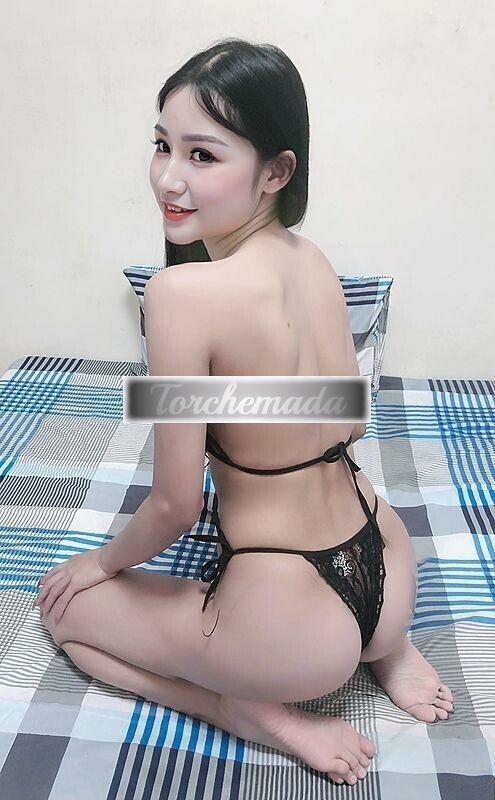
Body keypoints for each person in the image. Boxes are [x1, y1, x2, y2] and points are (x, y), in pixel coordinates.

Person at [37, 37, 453, 786]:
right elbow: (350, 416)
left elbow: (173, 506)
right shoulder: (311, 257)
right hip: (388, 566)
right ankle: (385, 649)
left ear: (275, 172)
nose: (168, 177)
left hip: (292, 625)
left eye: (202, 155)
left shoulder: (178, 295)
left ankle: (242, 710)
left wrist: (100, 563)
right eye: (162, 145)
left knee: (60, 614)